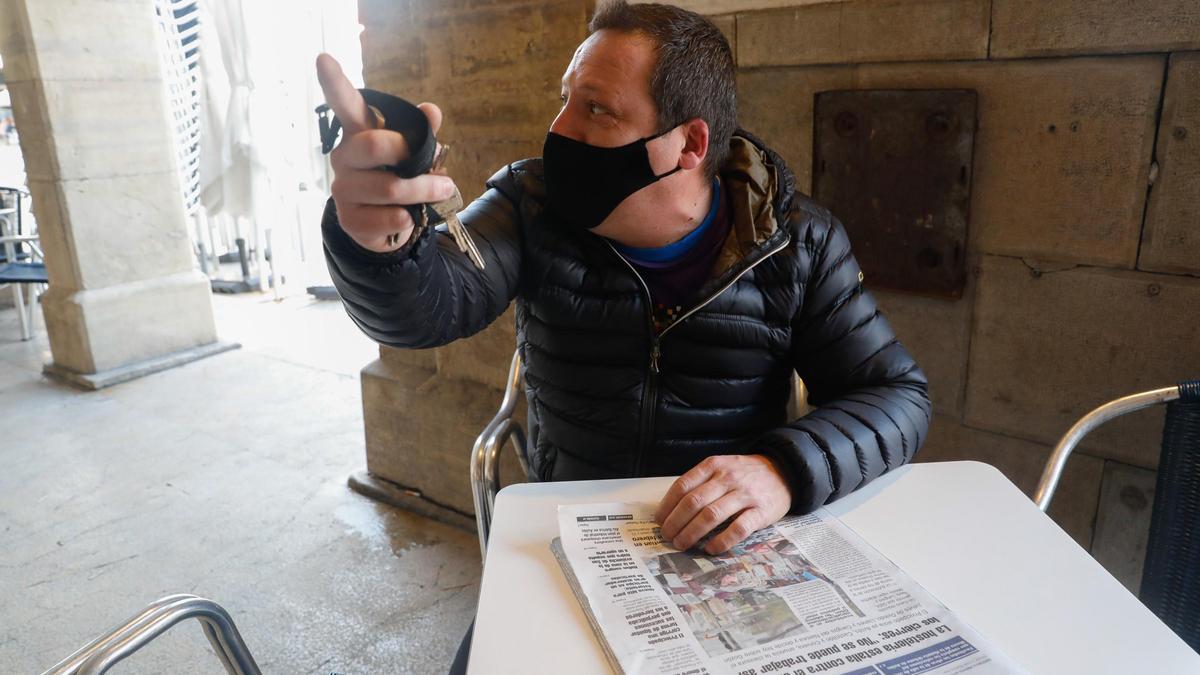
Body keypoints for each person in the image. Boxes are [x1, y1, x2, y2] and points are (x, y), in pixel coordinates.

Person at [316, 2, 929, 670]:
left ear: (689, 145)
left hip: (724, 549)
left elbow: (897, 395)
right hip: (562, 533)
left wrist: (783, 469)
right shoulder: (532, 204)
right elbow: (429, 307)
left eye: (596, 110)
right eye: (564, 101)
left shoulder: (798, 242)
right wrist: (381, 241)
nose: (558, 129)